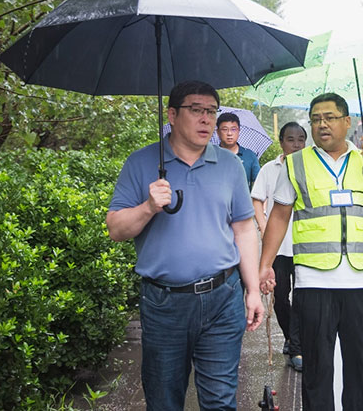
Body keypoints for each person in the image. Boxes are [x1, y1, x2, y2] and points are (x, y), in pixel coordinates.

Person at [106, 80, 263, 411]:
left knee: (220, 401)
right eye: (196, 110)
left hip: (223, 298)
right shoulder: (141, 163)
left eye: (211, 111)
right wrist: (148, 206)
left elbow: (244, 230)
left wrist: (252, 290)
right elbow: (116, 229)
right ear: (172, 115)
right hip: (164, 304)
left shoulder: (230, 165)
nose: (206, 119)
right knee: (164, 400)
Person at [258, 92, 363, 411]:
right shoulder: (297, 163)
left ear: (347, 122)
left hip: (362, 285)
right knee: (316, 374)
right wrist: (265, 265)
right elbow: (280, 216)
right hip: (314, 285)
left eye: (329, 117)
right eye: (315, 119)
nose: (322, 125)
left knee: (359, 374)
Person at [251, 121, 308, 372]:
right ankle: (290, 336)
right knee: (281, 297)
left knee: (303, 297)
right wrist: (264, 228)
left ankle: (297, 347)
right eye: (290, 139)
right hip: (278, 247)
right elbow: (257, 200)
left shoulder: (310, 167)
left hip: (304, 246)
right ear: (281, 142)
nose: (296, 144)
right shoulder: (269, 169)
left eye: (300, 139)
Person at [216, 111, 260, 189]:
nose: (229, 133)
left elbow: (258, 184)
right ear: (218, 132)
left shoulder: (250, 156)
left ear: (239, 131)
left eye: (233, 129)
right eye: (225, 129)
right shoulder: (212, 155)